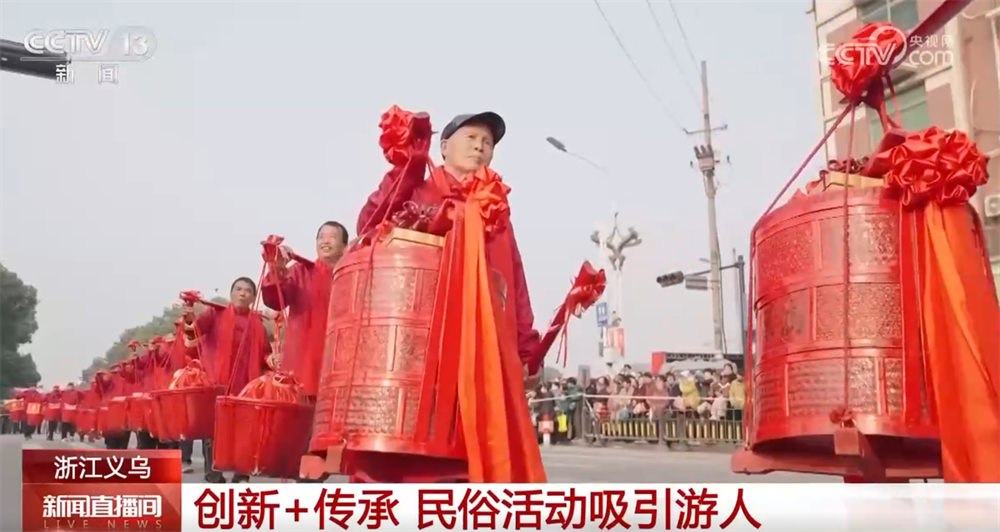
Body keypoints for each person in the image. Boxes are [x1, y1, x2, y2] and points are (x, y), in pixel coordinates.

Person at [345, 109, 545, 483]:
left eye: (487, 142)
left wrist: (526, 348)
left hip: (482, 348)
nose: (480, 146)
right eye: (471, 138)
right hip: (421, 350)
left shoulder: (495, 208)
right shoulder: (418, 189)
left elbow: (514, 281)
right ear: (444, 146)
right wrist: (408, 166)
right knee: (410, 456)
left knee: (475, 456)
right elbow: (369, 223)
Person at [182, 276, 271, 484]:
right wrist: (189, 317)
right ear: (231, 293)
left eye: (248, 291)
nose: (242, 293)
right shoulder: (216, 314)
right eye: (238, 289)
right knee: (215, 431)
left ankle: (241, 474)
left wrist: (272, 359)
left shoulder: (258, 325)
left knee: (244, 432)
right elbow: (194, 330)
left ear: (253, 298)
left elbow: (265, 355)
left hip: (246, 386)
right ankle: (214, 474)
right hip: (217, 383)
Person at [261, 221, 348, 398]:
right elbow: (275, 300)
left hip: (340, 360)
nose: (325, 241)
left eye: (332, 237)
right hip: (304, 361)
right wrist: (276, 269)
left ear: (344, 246)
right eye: (321, 237)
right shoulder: (299, 271)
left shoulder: (351, 276)